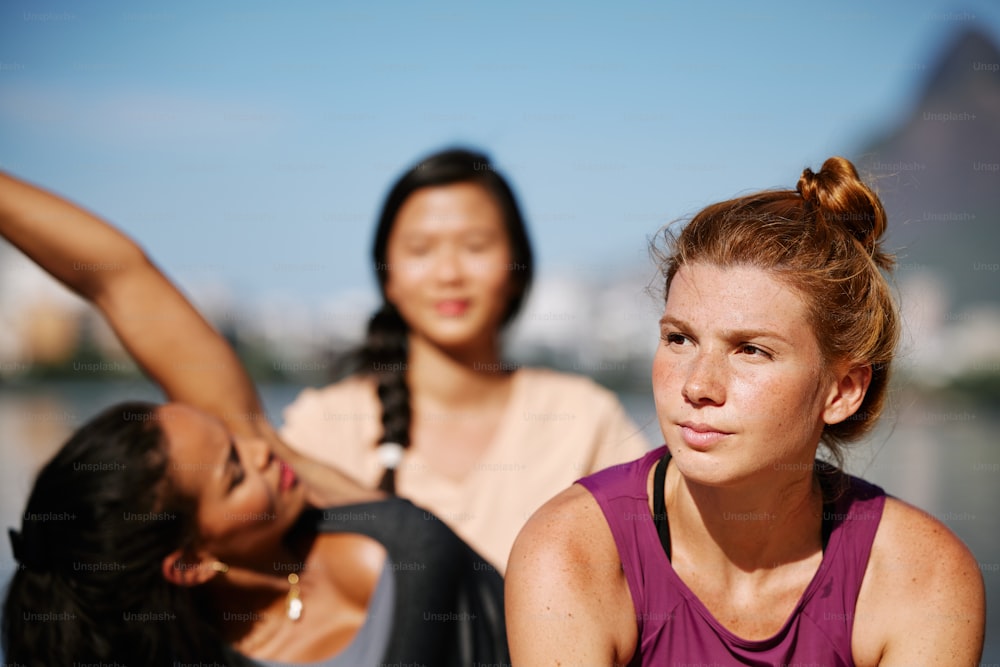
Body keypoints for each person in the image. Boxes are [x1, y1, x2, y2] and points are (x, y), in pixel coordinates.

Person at [0, 171, 508, 666]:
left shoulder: (304, 495)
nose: (261, 450)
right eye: (235, 473)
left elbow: (119, 278)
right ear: (191, 563)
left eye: (232, 442)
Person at [505, 157, 986, 665]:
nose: (697, 385)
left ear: (842, 389)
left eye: (751, 350)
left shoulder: (921, 576)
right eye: (679, 338)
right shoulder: (571, 556)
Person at [280, 147, 650, 572]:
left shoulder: (584, 420)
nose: (449, 273)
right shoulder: (322, 428)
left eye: (475, 246)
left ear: (516, 269)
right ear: (388, 276)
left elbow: (649, 573)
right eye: (420, 250)